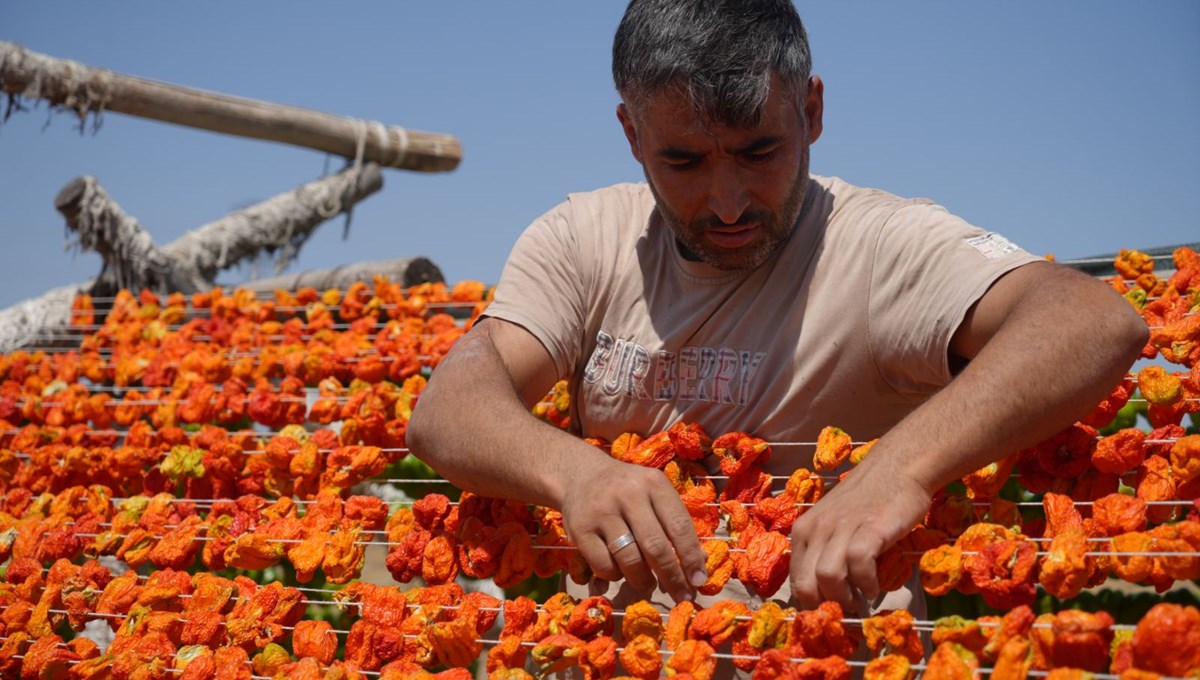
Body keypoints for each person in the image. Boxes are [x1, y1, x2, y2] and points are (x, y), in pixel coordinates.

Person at [407, 0, 1146, 617]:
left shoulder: (880, 246)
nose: (727, 202)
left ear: (812, 111)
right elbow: (448, 408)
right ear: (632, 134)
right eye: (684, 161)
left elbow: (1092, 321)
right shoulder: (584, 240)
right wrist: (575, 474)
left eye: (759, 152)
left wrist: (900, 470)